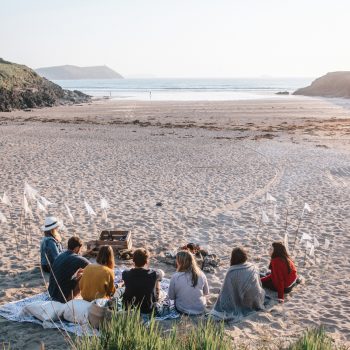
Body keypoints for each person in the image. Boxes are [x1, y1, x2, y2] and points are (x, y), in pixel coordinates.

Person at [210, 247, 265, 321]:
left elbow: (226, 292)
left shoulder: (232, 272)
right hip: (256, 299)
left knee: (223, 300)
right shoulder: (253, 266)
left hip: (246, 302)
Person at [48, 236, 90, 303]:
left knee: (79, 274)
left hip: (52, 293)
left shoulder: (60, 256)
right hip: (62, 298)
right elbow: (93, 269)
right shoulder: (78, 259)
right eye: (80, 249)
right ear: (76, 248)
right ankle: (70, 299)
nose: (80, 251)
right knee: (84, 276)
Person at [122, 248, 164, 314]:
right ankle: (156, 301)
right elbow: (161, 273)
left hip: (128, 307)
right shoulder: (153, 274)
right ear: (147, 261)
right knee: (160, 289)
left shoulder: (125, 273)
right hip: (147, 309)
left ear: (133, 260)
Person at [168, 250, 209, 315]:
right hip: (200, 309)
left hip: (183, 309)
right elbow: (206, 293)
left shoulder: (175, 277)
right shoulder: (201, 274)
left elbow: (171, 297)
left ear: (180, 262)